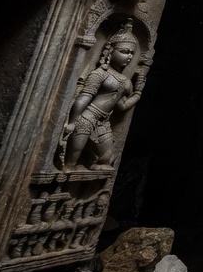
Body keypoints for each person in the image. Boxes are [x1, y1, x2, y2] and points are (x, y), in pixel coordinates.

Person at [61, 20, 143, 170]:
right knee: (71, 160)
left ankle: (87, 165)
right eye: (124, 52)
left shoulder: (125, 82)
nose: (129, 56)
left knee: (108, 159)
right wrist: (72, 122)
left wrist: (137, 94)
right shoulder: (100, 74)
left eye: (132, 53)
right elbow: (84, 97)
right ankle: (71, 169)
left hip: (103, 123)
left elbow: (122, 105)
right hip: (87, 117)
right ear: (110, 51)